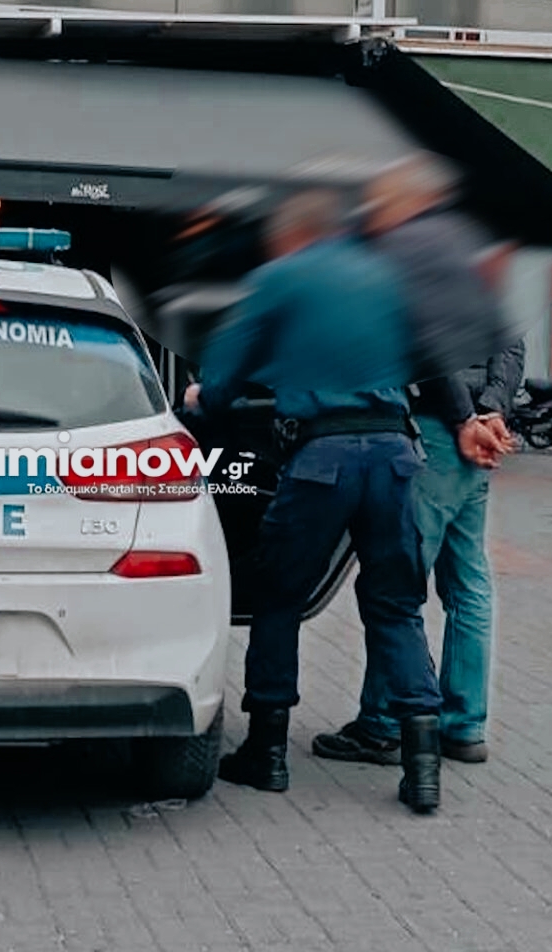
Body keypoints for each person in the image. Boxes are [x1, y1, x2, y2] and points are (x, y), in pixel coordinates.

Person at [183, 187, 482, 814]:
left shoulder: (280, 277)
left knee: (278, 597)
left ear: (292, 234)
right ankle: (422, 766)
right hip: (395, 460)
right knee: (396, 605)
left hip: (321, 462)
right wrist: (463, 420)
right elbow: (434, 360)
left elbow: (225, 378)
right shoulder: (391, 276)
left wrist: (201, 401)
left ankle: (266, 754)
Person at [314, 154, 523, 768]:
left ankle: (383, 722)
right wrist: (493, 411)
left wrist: (465, 420)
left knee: (397, 583)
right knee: (468, 580)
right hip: (474, 434)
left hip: (440, 433)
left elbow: (428, 350)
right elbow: (511, 343)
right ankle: (463, 725)